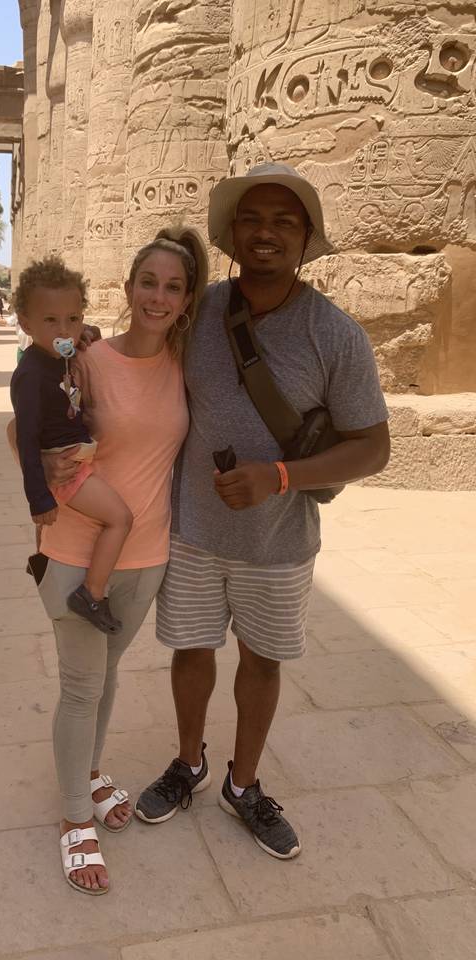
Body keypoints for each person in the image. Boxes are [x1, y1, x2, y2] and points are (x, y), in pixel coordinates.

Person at [134, 163, 391, 860]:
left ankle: (242, 785)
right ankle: (188, 763)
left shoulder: (336, 336)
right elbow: (142, 362)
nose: (267, 232)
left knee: (263, 661)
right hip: (192, 531)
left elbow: (373, 447)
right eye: (253, 218)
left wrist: (280, 476)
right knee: (191, 651)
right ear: (231, 234)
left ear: (307, 238)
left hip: (278, 543)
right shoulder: (201, 309)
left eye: (285, 220)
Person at [8, 228, 207, 895]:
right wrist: (45, 480)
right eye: (147, 282)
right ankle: (72, 820)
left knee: (109, 673)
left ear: (185, 299)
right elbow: (21, 426)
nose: (158, 296)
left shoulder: (186, 363)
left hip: (145, 554)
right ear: (128, 289)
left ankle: (87, 771)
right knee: (80, 687)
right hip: (74, 549)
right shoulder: (87, 358)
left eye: (173, 286)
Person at [10, 255, 134, 633]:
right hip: (64, 468)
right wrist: (39, 498)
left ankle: (47, 563)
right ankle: (91, 594)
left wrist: (86, 332)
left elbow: (74, 334)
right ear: (26, 323)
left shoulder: (59, 352)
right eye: (51, 320)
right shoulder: (29, 375)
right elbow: (27, 441)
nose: (64, 329)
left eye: (73, 318)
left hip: (77, 457)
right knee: (120, 519)